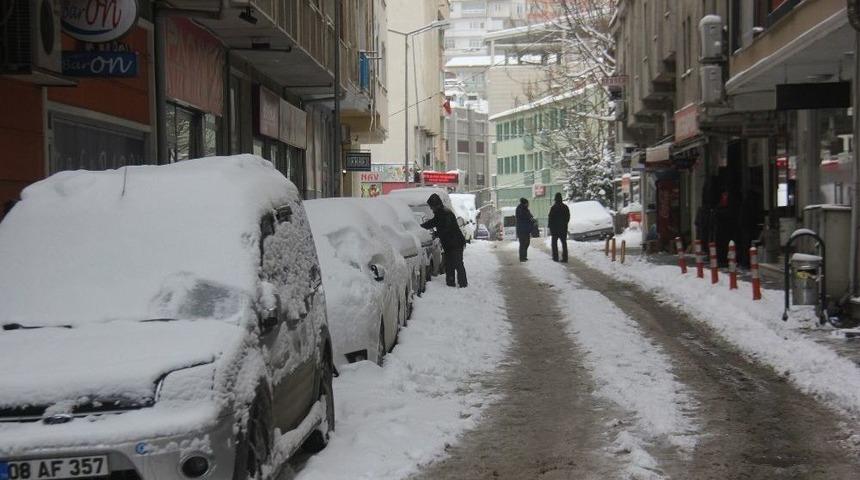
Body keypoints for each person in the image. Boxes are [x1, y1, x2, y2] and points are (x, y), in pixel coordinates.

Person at [421, 193, 467, 287]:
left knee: (457, 263)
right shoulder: (440, 213)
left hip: (455, 243)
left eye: (431, 206)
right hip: (450, 244)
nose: (431, 209)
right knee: (449, 264)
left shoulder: (446, 213)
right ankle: (450, 283)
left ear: (435, 205)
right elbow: (433, 222)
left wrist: (436, 234)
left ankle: (462, 284)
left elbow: (446, 228)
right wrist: (421, 227)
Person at [547, 192, 570, 262]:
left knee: (554, 244)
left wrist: (550, 227)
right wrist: (565, 223)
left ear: (555, 199)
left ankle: (555, 257)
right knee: (564, 243)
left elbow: (550, 218)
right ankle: (565, 258)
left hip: (555, 229)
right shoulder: (565, 207)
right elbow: (568, 217)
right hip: (563, 228)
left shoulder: (553, 208)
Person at [515, 198, 535, 262]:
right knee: (523, 243)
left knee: (527, 243)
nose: (528, 204)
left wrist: (532, 219)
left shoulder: (526, 209)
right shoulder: (519, 209)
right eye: (527, 203)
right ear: (524, 203)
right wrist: (529, 219)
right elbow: (523, 217)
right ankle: (522, 257)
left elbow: (530, 216)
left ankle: (524, 256)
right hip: (521, 229)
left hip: (526, 229)